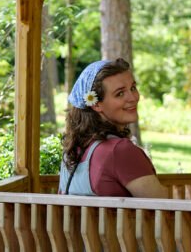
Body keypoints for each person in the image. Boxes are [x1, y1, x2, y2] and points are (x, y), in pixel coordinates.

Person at [59, 58, 167, 198]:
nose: (133, 97)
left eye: (133, 88)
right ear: (96, 104)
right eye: (120, 93)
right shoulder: (120, 151)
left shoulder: (72, 152)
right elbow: (163, 208)